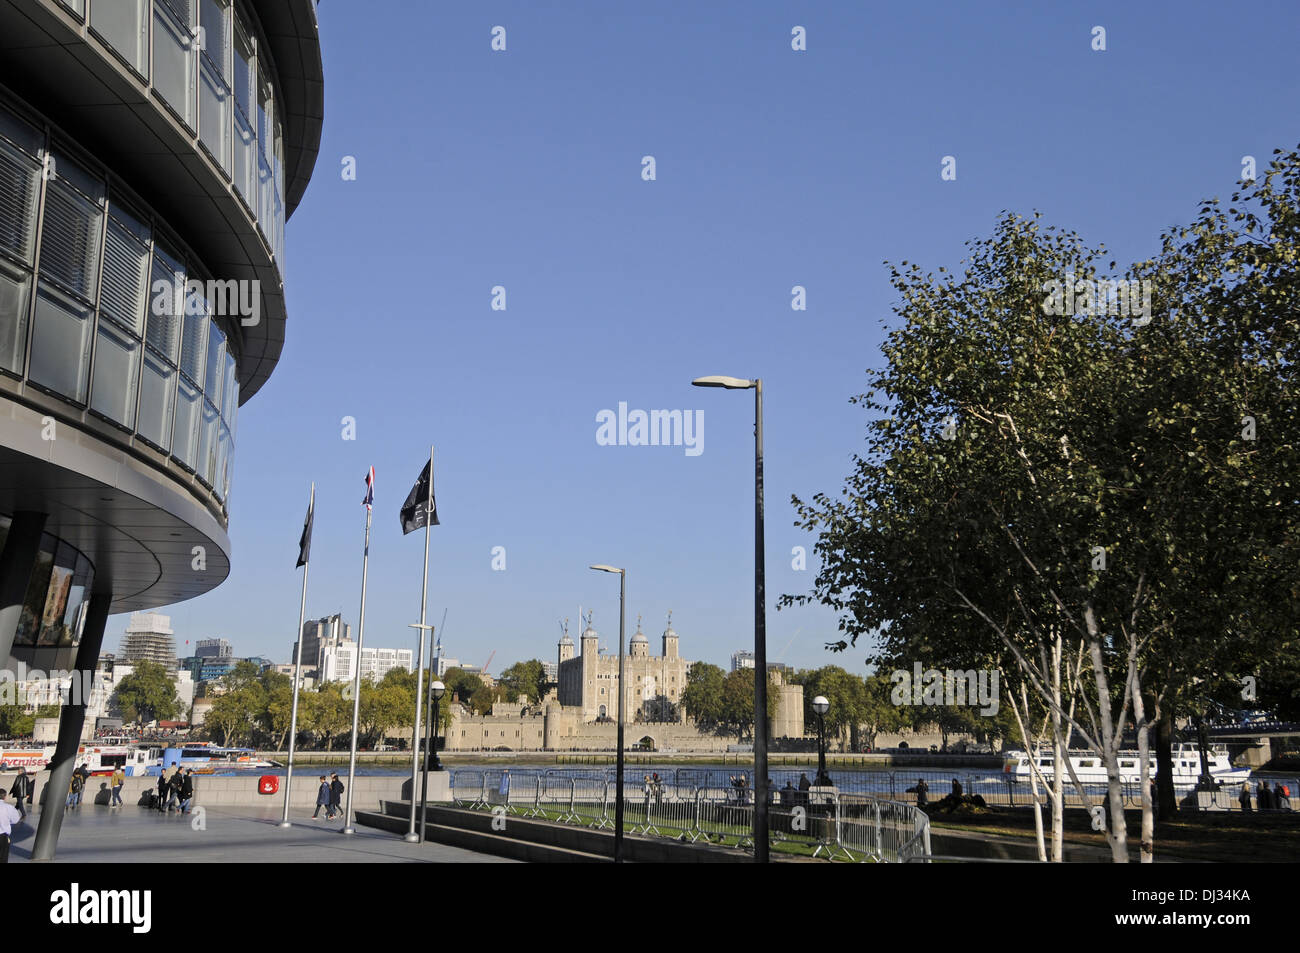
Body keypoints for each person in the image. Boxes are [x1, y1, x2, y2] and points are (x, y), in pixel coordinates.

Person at [0, 797, 20, 864]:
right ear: (5, 797)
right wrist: (7, 822)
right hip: (3, 836)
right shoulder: (9, 807)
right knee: (3, 857)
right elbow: (16, 820)